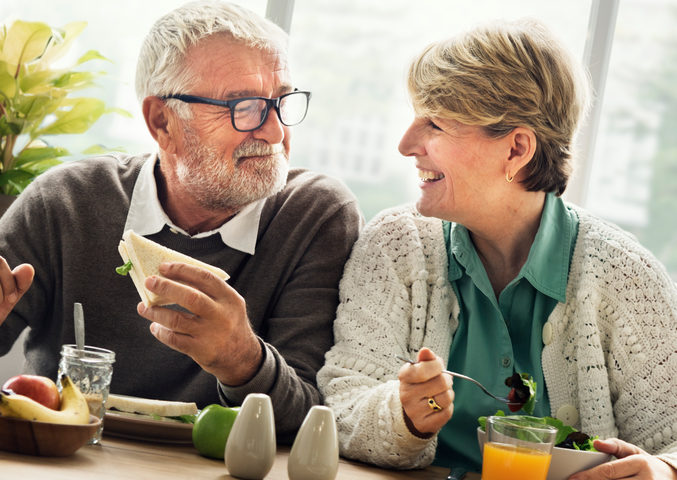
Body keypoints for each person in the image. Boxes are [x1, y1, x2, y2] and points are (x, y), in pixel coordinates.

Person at [317, 19, 677, 479]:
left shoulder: (626, 277)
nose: (406, 144)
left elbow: (672, 439)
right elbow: (342, 400)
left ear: (516, 149)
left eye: (435, 124)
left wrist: (662, 470)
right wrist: (403, 416)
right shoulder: (397, 245)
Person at [0, 0, 362, 441]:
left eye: (282, 101)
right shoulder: (65, 202)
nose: (273, 132)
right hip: (66, 457)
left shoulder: (314, 216)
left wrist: (241, 360)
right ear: (162, 121)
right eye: (244, 107)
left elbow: (312, 421)